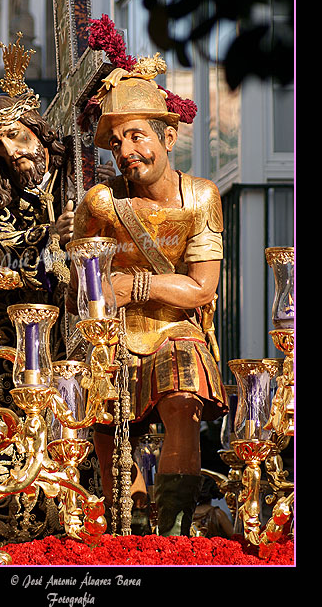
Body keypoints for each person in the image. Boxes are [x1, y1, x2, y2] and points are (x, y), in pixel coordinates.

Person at [66, 59, 228, 537]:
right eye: (116, 142)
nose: (125, 150)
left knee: (182, 397)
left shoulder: (201, 198)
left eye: (136, 135)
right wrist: (92, 286)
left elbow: (201, 287)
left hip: (175, 324)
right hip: (112, 327)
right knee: (106, 411)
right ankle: (130, 519)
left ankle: (175, 527)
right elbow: (81, 274)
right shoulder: (102, 203)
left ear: (168, 138)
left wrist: (133, 286)